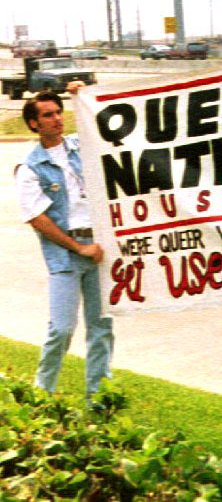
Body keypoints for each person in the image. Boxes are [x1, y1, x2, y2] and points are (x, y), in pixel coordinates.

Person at [15, 89, 113, 403]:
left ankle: (98, 400)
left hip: (99, 247)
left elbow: (109, 129)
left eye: (59, 112)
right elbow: (37, 218)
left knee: (101, 327)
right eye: (47, 115)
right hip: (65, 255)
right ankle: (41, 397)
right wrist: (77, 247)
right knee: (61, 328)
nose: (56, 119)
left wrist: (80, 99)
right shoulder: (30, 167)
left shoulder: (79, 147)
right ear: (33, 124)